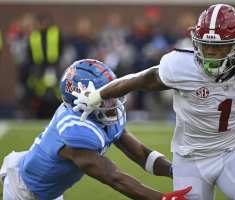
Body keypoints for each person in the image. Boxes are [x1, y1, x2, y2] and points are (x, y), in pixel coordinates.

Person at [73, 4, 235, 200]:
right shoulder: (181, 66)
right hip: (190, 159)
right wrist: (99, 95)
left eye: (220, 47)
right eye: (206, 46)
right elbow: (140, 79)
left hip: (231, 151)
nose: (211, 53)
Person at [0, 59, 191, 200]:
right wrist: (163, 198)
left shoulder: (99, 116)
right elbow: (113, 177)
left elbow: (140, 154)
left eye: (112, 91)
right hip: (24, 192)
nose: (113, 99)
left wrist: (175, 170)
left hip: (49, 191)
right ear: (80, 102)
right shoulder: (73, 130)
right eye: (105, 95)